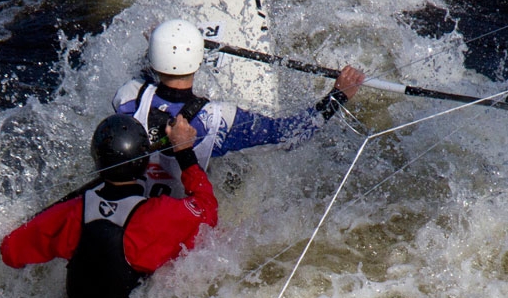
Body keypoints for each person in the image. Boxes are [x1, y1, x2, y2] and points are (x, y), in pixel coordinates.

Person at [0, 113, 218, 298]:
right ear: (145, 163)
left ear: (97, 161)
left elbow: (10, 251)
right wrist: (184, 152)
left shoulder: (71, 211)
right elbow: (207, 210)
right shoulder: (157, 215)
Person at [112, 18, 366, 197]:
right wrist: (337, 96)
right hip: (181, 224)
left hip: (135, 214)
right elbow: (290, 135)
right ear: (200, 60)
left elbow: (147, 79)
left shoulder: (127, 96)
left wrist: (158, 44)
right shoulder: (218, 118)